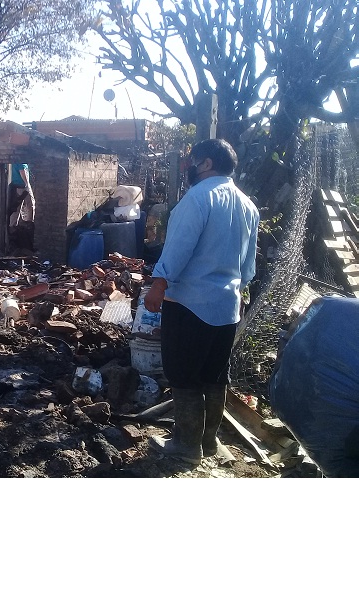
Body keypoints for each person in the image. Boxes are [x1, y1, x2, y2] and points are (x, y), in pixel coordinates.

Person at [143, 138, 259, 466]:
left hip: (190, 304)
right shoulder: (248, 206)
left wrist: (160, 282)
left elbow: (179, 247)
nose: (190, 168)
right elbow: (248, 266)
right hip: (227, 307)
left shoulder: (198, 198)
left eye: (193, 161)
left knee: (183, 374)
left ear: (206, 163)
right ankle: (208, 443)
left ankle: (186, 445)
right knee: (214, 375)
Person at [7, 163, 36, 250]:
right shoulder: (21, 161)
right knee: (31, 205)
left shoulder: (12, 162)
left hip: (15, 187)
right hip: (22, 186)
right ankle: (29, 223)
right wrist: (27, 184)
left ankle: (12, 227)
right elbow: (22, 171)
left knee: (16, 207)